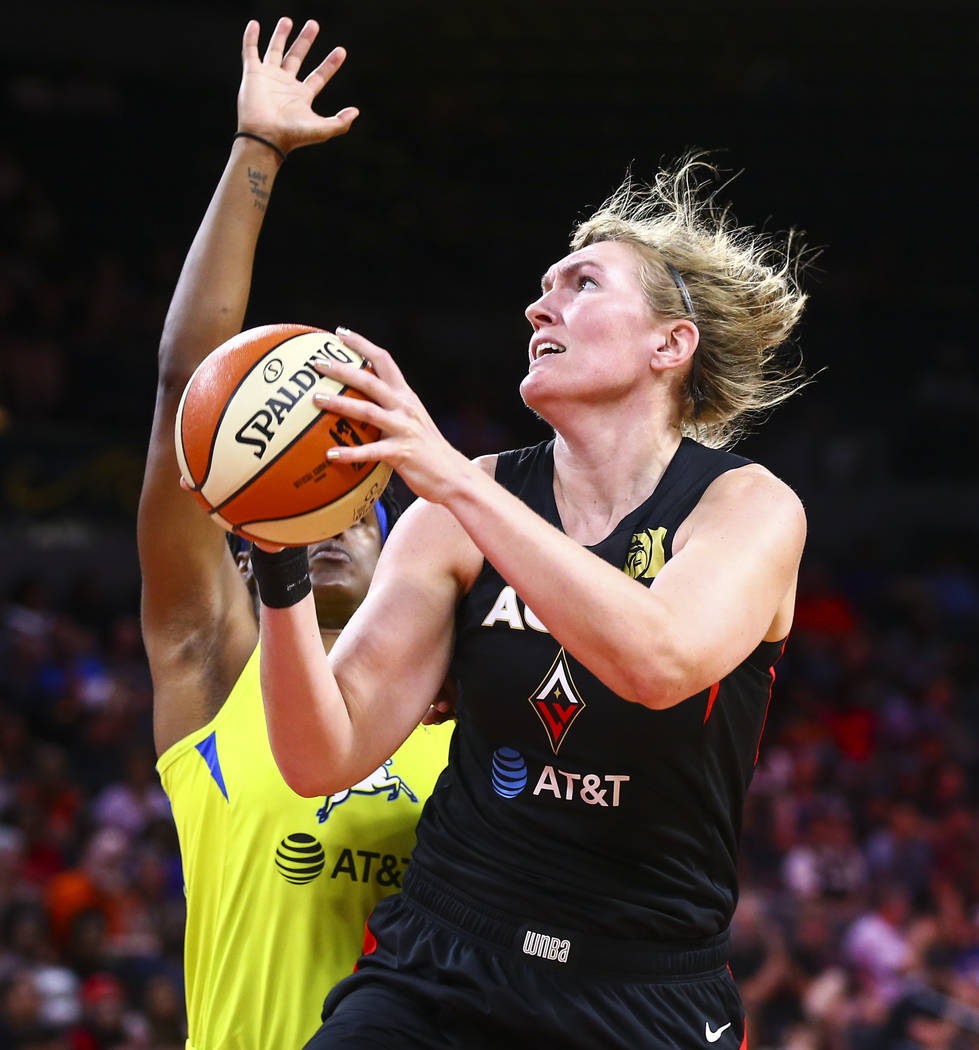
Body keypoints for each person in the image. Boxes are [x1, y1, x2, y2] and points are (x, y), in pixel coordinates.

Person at [247, 17, 809, 1049]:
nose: (535, 304)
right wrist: (278, 567)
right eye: (542, 286)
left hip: (643, 989)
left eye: (579, 283)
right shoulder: (455, 511)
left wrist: (453, 485)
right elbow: (320, 755)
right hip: (442, 963)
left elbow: (659, 660)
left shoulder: (745, 506)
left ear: (668, 345)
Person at [135, 18, 452, 1050]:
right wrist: (256, 151)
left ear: (397, 545)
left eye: (354, 506)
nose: (330, 526)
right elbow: (192, 389)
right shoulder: (214, 672)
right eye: (301, 510)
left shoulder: (469, 728)